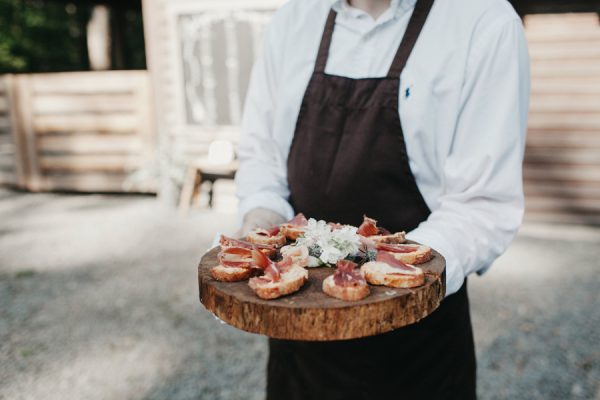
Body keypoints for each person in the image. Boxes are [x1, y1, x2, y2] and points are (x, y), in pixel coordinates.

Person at [235, 0, 530, 398]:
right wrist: (261, 215)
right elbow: (261, 156)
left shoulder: (482, 21)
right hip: (298, 344)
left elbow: (482, 204)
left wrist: (387, 274)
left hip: (416, 350)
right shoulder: (294, 18)